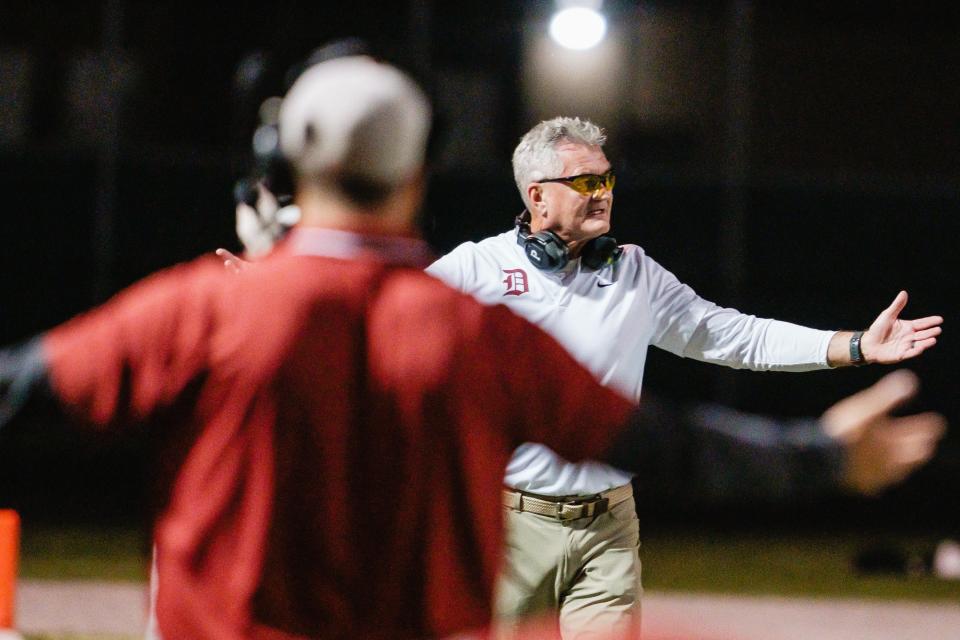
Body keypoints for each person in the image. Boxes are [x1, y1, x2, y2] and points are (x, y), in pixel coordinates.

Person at [0, 59, 648, 640]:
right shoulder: (477, 333)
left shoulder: (207, 311)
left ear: (284, 163)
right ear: (419, 172)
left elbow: (23, 388)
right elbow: (663, 443)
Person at [424, 116, 945, 639]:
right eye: (585, 182)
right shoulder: (475, 269)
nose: (603, 193)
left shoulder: (634, 272)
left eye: (606, 179)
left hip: (608, 526)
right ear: (537, 196)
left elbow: (738, 337)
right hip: (510, 525)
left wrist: (854, 344)